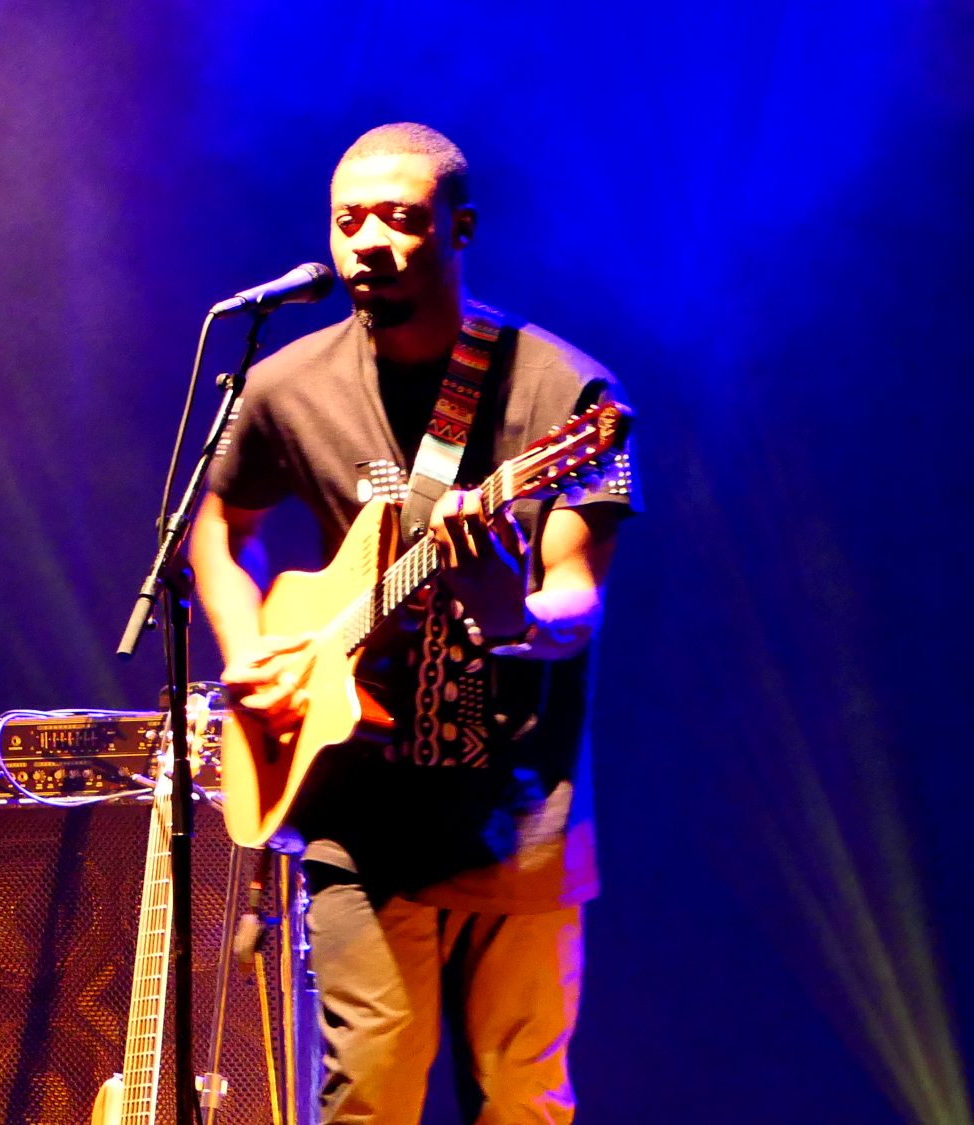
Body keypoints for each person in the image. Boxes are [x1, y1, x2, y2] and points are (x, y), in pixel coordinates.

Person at [189, 123, 642, 1125]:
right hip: (357, 808)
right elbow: (216, 528)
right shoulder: (285, 386)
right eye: (351, 221)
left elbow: (576, 600)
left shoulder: (566, 395)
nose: (371, 243)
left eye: (402, 219)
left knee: (523, 1099)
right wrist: (249, 643)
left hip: (517, 814)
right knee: (373, 1090)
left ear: (460, 228)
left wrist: (512, 613)